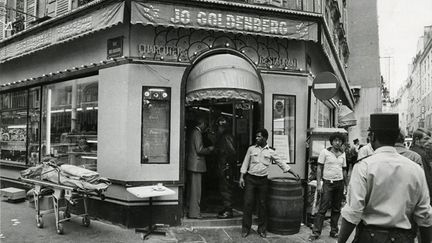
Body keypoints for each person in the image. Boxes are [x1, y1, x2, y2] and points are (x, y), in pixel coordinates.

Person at [338, 113, 432, 243]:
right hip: (403, 238)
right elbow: (424, 214)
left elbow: (353, 211)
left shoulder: (364, 166)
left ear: (372, 137)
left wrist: (340, 241)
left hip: (370, 237)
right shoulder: (415, 169)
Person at [239, 128, 299, 238]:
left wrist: (293, 173)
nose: (257, 138)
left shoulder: (271, 151)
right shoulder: (251, 149)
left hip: (263, 181)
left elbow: (281, 163)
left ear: (265, 138)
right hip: (251, 179)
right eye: (256, 136)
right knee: (248, 203)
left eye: (259, 136)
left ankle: (261, 229)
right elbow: (245, 163)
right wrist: (241, 177)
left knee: (262, 204)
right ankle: (245, 229)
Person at [308, 132, 348, 241]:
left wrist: (346, 185)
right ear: (332, 141)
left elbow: (344, 170)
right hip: (327, 183)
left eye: (340, 141)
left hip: (339, 184)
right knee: (322, 209)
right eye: (335, 140)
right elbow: (319, 168)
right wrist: (318, 185)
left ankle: (334, 231)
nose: (337, 142)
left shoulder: (343, 154)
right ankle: (316, 232)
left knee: (336, 209)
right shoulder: (324, 152)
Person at [186, 116, 214, 219]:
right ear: (201, 123)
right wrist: (210, 149)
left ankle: (191, 211)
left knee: (192, 191)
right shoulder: (197, 133)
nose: (205, 127)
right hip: (196, 165)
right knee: (196, 191)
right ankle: (194, 213)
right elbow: (199, 149)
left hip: (192, 164)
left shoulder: (193, 132)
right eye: (205, 124)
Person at [214, 117, 236, 219]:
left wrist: (226, 165)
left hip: (226, 167)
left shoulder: (226, 137)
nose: (217, 129)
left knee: (226, 188)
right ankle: (226, 207)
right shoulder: (225, 136)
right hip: (224, 166)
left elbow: (231, 152)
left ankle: (228, 210)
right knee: (224, 188)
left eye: (219, 127)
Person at [411, 128, 432, 205]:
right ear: (417, 140)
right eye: (426, 139)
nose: (430, 141)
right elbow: (427, 177)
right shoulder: (421, 155)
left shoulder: (412, 152)